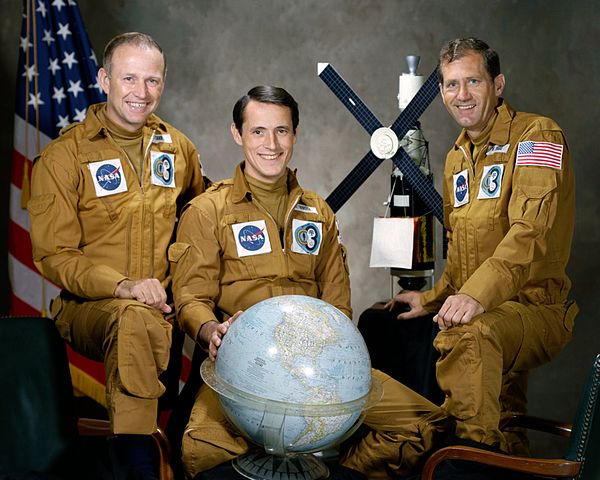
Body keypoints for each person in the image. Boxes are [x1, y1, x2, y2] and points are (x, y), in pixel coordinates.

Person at [170, 85, 451, 479]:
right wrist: (210, 330)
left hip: (317, 368)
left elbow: (338, 306)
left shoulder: (319, 213)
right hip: (241, 365)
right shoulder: (207, 211)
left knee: (423, 426)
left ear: (296, 134)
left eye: (282, 131)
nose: (271, 143)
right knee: (202, 449)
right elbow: (190, 297)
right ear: (237, 133)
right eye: (258, 131)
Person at [386, 37, 578, 456]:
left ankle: (468, 462)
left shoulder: (536, 136)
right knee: (505, 419)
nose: (463, 95)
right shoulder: (457, 157)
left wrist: (475, 295)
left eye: (473, 81)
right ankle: (501, 457)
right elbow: (461, 252)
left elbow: (530, 232)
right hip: (488, 306)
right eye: (452, 85)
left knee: (469, 338)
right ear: (440, 93)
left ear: (498, 84)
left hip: (534, 307)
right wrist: (434, 298)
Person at [28, 32, 205, 479]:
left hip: (161, 312)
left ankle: (191, 445)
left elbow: (200, 229)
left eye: (152, 81)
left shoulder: (178, 150)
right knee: (131, 317)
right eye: (129, 78)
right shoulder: (64, 156)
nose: (140, 93)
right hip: (90, 310)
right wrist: (122, 286)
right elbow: (54, 256)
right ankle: (136, 462)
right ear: (105, 79)